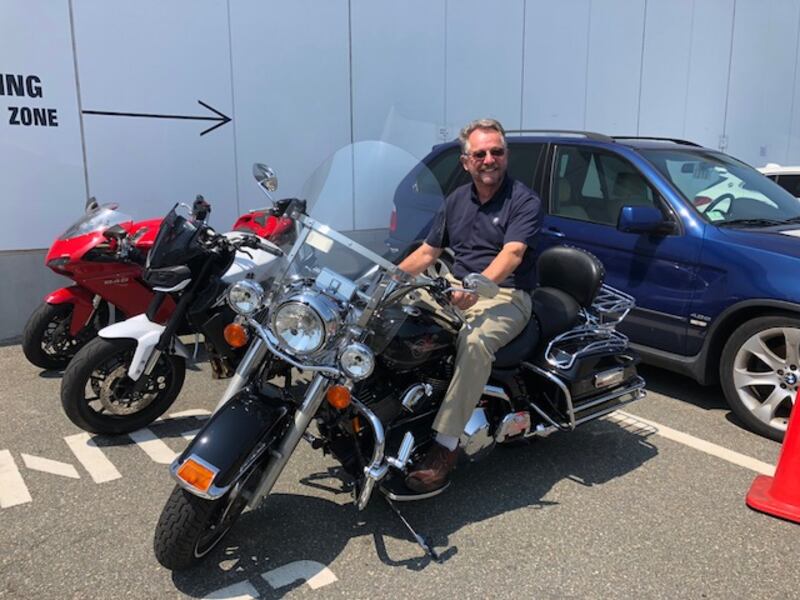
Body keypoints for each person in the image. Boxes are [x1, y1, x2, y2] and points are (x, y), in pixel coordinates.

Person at [398, 118, 542, 493]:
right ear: (466, 162)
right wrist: (384, 279)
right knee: (395, 315)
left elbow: (512, 254)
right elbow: (429, 251)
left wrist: (477, 287)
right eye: (480, 153)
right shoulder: (456, 200)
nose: (489, 159)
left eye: (496, 151)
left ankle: (445, 446)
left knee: (474, 342)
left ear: (505, 156)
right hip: (458, 286)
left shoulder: (523, 200)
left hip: (506, 293)